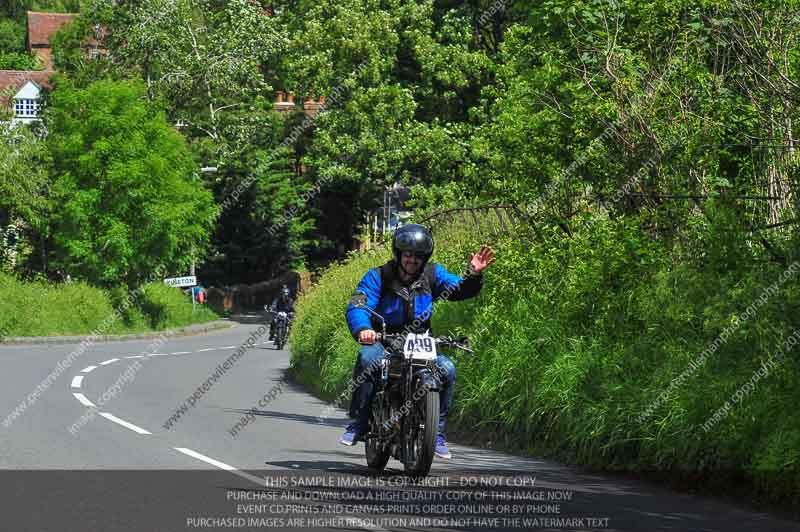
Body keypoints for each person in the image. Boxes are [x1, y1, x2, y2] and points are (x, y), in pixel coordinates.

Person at [340, 224, 495, 459]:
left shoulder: (433, 274)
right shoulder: (378, 276)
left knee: (446, 369)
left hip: (420, 340)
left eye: (418, 256)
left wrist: (473, 275)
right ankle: (360, 422)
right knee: (367, 358)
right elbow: (357, 304)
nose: (412, 260)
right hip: (384, 338)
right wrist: (363, 328)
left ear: (425, 257)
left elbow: (458, 289)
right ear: (399, 253)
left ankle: (438, 434)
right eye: (408, 254)